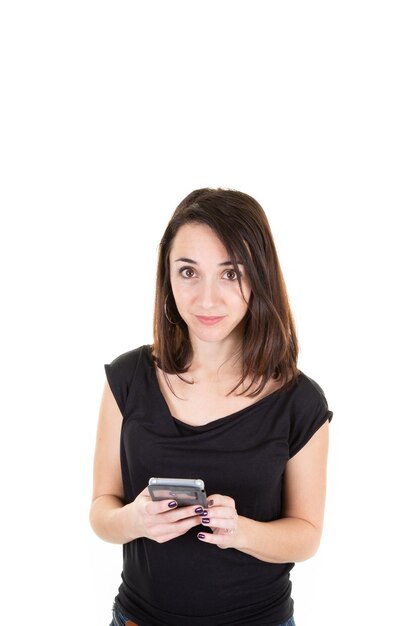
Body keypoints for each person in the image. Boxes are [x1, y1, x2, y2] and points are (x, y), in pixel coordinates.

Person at [90, 188, 333, 626]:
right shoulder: (127, 380)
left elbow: (307, 535)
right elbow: (101, 512)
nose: (206, 299)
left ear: (259, 277)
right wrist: (136, 519)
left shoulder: (300, 402)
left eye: (229, 274)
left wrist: (241, 531)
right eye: (188, 272)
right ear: (168, 276)